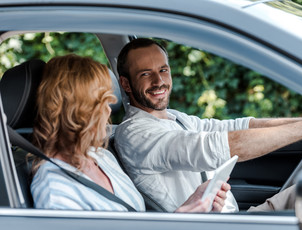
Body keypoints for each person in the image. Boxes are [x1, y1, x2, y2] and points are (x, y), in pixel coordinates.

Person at [114, 38, 302, 213]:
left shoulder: (173, 117)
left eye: (163, 70)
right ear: (125, 83)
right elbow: (218, 146)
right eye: (146, 74)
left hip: (235, 221)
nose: (159, 81)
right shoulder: (135, 134)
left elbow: (235, 126)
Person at [30, 54, 230, 213]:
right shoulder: (55, 190)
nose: (109, 110)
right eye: (101, 102)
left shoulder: (100, 156)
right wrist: (182, 219)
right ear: (77, 109)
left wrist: (191, 206)